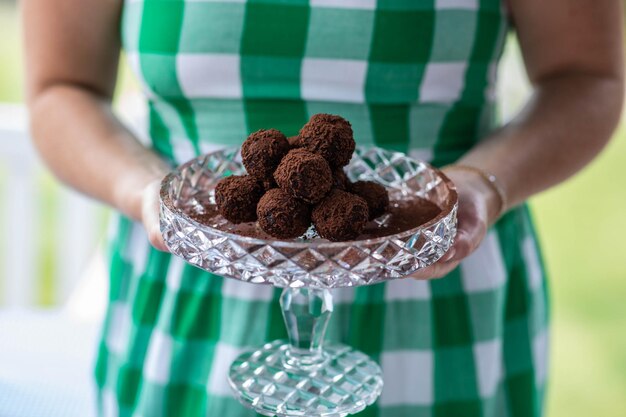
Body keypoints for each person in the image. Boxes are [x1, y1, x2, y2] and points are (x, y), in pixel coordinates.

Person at [23, 0, 623, 416]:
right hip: (189, 304)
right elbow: (59, 88)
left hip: (441, 293)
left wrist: (487, 184)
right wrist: (144, 189)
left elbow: (588, 76)